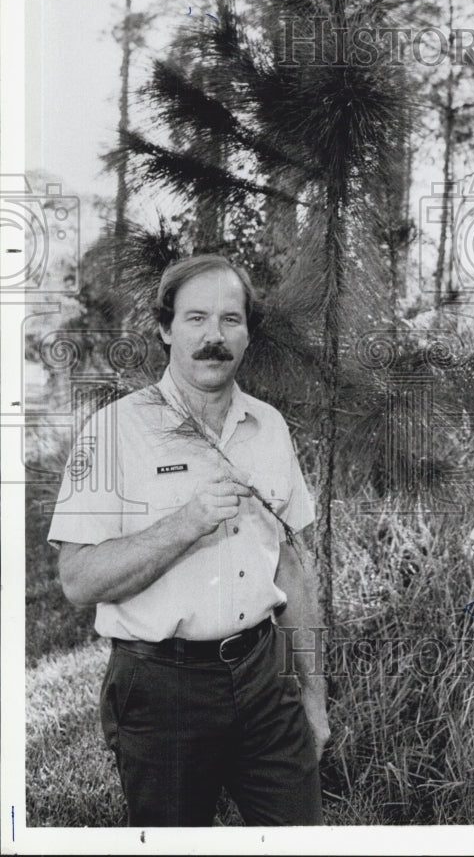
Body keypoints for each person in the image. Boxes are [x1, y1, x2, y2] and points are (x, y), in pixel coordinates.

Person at [47, 254, 329, 827]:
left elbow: (294, 570)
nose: (213, 337)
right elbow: (77, 581)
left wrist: (315, 699)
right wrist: (186, 522)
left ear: (248, 334)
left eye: (231, 319)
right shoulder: (114, 431)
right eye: (195, 318)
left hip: (264, 675)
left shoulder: (268, 426)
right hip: (161, 687)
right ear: (165, 328)